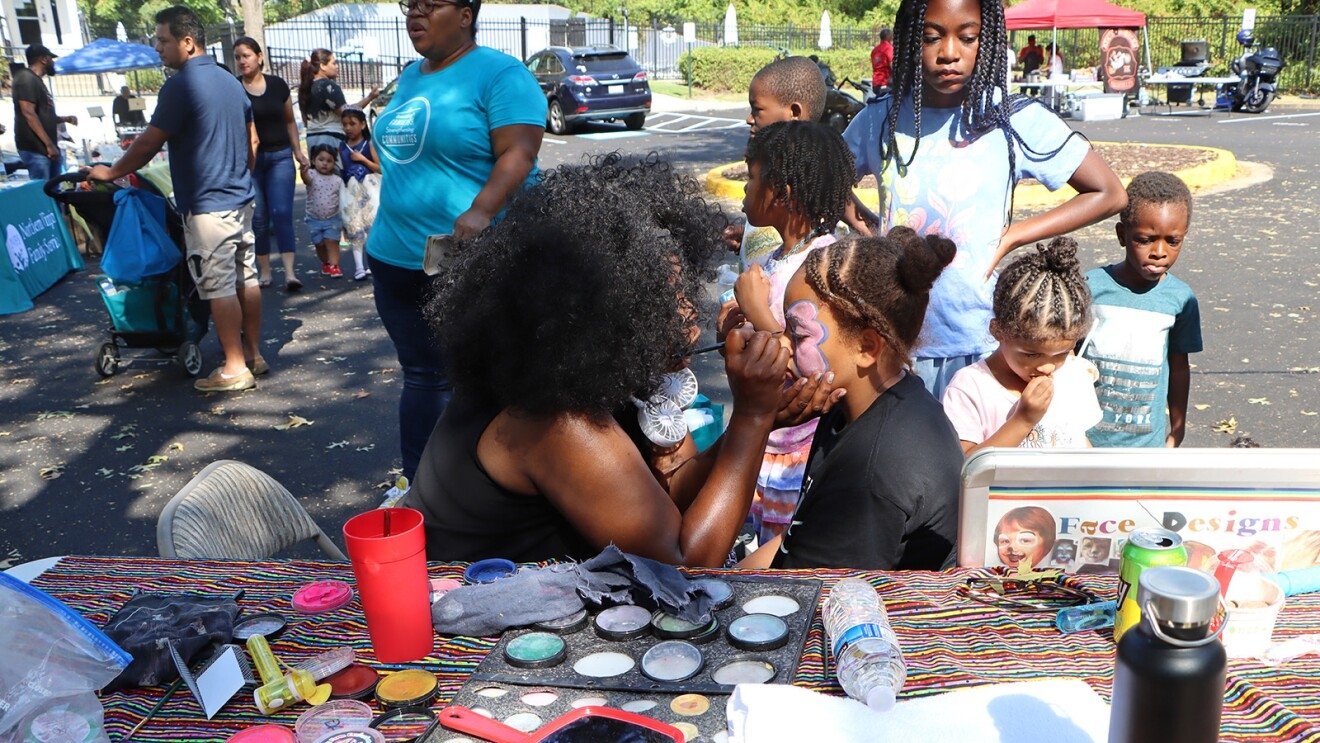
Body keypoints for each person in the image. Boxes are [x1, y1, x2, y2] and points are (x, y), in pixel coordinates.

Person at [405, 155, 795, 567]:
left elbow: (669, 489)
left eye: (683, 292)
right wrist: (752, 416)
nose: (689, 316)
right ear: (604, 313)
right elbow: (685, 561)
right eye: (666, 301)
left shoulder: (584, 367)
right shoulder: (556, 417)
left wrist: (755, 424)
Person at [842, 0, 1126, 400]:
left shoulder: (1011, 119)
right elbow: (822, 179)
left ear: (987, 39)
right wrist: (867, 225)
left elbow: (1108, 193)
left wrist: (1013, 236)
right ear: (910, 39)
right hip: (893, 343)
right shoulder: (880, 119)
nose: (949, 52)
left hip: (978, 346)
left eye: (968, 37)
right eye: (931, 37)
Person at [367, 0, 545, 491]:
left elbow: (520, 151)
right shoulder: (410, 75)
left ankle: (485, 495)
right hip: (396, 260)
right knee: (423, 377)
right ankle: (419, 493)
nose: (414, 14)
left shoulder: (500, 74)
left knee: (488, 382)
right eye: (410, 5)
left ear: (465, 14)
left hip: (471, 263)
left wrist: (483, 209)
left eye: (429, 5)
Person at [742, 228, 965, 571]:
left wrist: (750, 422)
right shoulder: (854, 401)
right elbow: (799, 535)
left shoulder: (872, 473)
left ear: (866, 348)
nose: (783, 344)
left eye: (797, 334)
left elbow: (814, 596)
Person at [88, 5, 263, 392]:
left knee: (218, 285)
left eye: (163, 40)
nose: (157, 48)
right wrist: (239, 174)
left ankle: (234, 367)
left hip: (208, 204)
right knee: (245, 278)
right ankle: (252, 354)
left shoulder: (181, 85)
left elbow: (150, 141)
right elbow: (253, 140)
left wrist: (110, 172)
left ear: (188, 41)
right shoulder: (230, 81)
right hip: (240, 199)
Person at [730, 120, 854, 545]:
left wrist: (757, 312)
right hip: (765, 439)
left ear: (782, 192)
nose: (745, 189)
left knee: (781, 558)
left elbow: (817, 370)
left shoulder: (824, 265)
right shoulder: (771, 259)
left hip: (798, 450)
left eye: (751, 177)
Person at [942, 238, 1101, 453]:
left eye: (1061, 353)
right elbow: (965, 467)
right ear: (998, 331)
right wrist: (1023, 420)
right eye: (1031, 354)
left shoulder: (1075, 375)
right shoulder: (970, 387)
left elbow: (1080, 442)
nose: (1047, 367)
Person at [1081, 172, 1202, 448]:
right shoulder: (1091, 287)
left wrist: (1178, 428)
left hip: (1147, 447)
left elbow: (1179, 367)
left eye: (1172, 241)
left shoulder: (1181, 299)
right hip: (1085, 443)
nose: (1159, 251)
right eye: (1145, 239)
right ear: (1122, 235)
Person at [736, 56, 828, 270]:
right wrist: (748, 238)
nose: (749, 119)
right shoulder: (770, 162)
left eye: (756, 109)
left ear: (794, 112)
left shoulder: (814, 181)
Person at [234, 36, 309, 292]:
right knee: (259, 217)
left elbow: (290, 121)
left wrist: (298, 152)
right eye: (237, 57)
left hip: (280, 156)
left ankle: (289, 272)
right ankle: (264, 271)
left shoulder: (277, 86)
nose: (242, 61)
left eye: (246, 55)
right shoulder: (234, 88)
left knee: (281, 214)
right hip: (251, 161)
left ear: (259, 56)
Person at [12, 44, 78, 180]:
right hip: (36, 148)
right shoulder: (26, 78)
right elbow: (28, 113)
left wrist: (65, 119)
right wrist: (49, 145)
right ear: (44, 59)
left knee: (54, 190)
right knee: (43, 192)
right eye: (51, 59)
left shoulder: (36, 81)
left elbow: (43, 115)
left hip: (47, 149)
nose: (53, 62)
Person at [298, 48, 379, 155]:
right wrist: (370, 97)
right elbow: (347, 112)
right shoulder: (327, 86)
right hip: (331, 139)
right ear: (322, 66)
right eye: (334, 63)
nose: (337, 66)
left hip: (312, 139)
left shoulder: (305, 88)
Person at [338, 107, 380, 281]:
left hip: (370, 189)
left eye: (352, 124)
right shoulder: (342, 146)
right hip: (350, 190)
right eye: (345, 125)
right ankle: (359, 266)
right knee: (354, 226)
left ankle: (373, 264)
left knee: (371, 226)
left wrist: (363, 159)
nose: (348, 128)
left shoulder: (369, 144)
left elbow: (380, 168)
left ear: (363, 124)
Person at [300, 144, 343, 279]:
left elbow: (343, 197)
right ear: (313, 161)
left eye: (329, 161)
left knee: (332, 241)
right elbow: (306, 180)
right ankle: (326, 262)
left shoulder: (337, 180)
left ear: (334, 164)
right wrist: (303, 171)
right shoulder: (312, 175)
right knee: (319, 244)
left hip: (332, 217)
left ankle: (334, 266)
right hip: (314, 218)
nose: (325, 163)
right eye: (321, 159)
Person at [871, 28, 894, 92]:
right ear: (888, 36)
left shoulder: (875, 50)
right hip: (885, 83)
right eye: (891, 35)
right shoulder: (889, 48)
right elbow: (892, 65)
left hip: (875, 83)